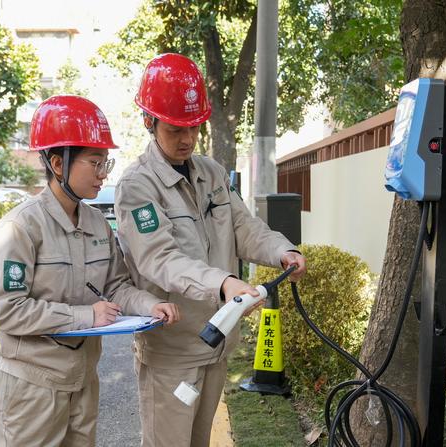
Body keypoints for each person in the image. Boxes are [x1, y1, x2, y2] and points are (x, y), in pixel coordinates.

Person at [115, 53, 307, 447]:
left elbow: (243, 227)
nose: (187, 139)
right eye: (175, 129)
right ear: (149, 122)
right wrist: (223, 283)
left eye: (195, 127)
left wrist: (281, 250)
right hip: (172, 351)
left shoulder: (212, 173)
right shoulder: (137, 185)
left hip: (217, 344)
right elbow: (158, 258)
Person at [0, 95, 180, 447]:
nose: (103, 174)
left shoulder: (95, 222)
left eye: (106, 163)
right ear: (58, 163)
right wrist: (85, 315)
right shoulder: (20, 229)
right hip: (32, 390)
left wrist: (149, 304)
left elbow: (116, 285)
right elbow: (7, 311)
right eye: (94, 163)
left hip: (83, 382)